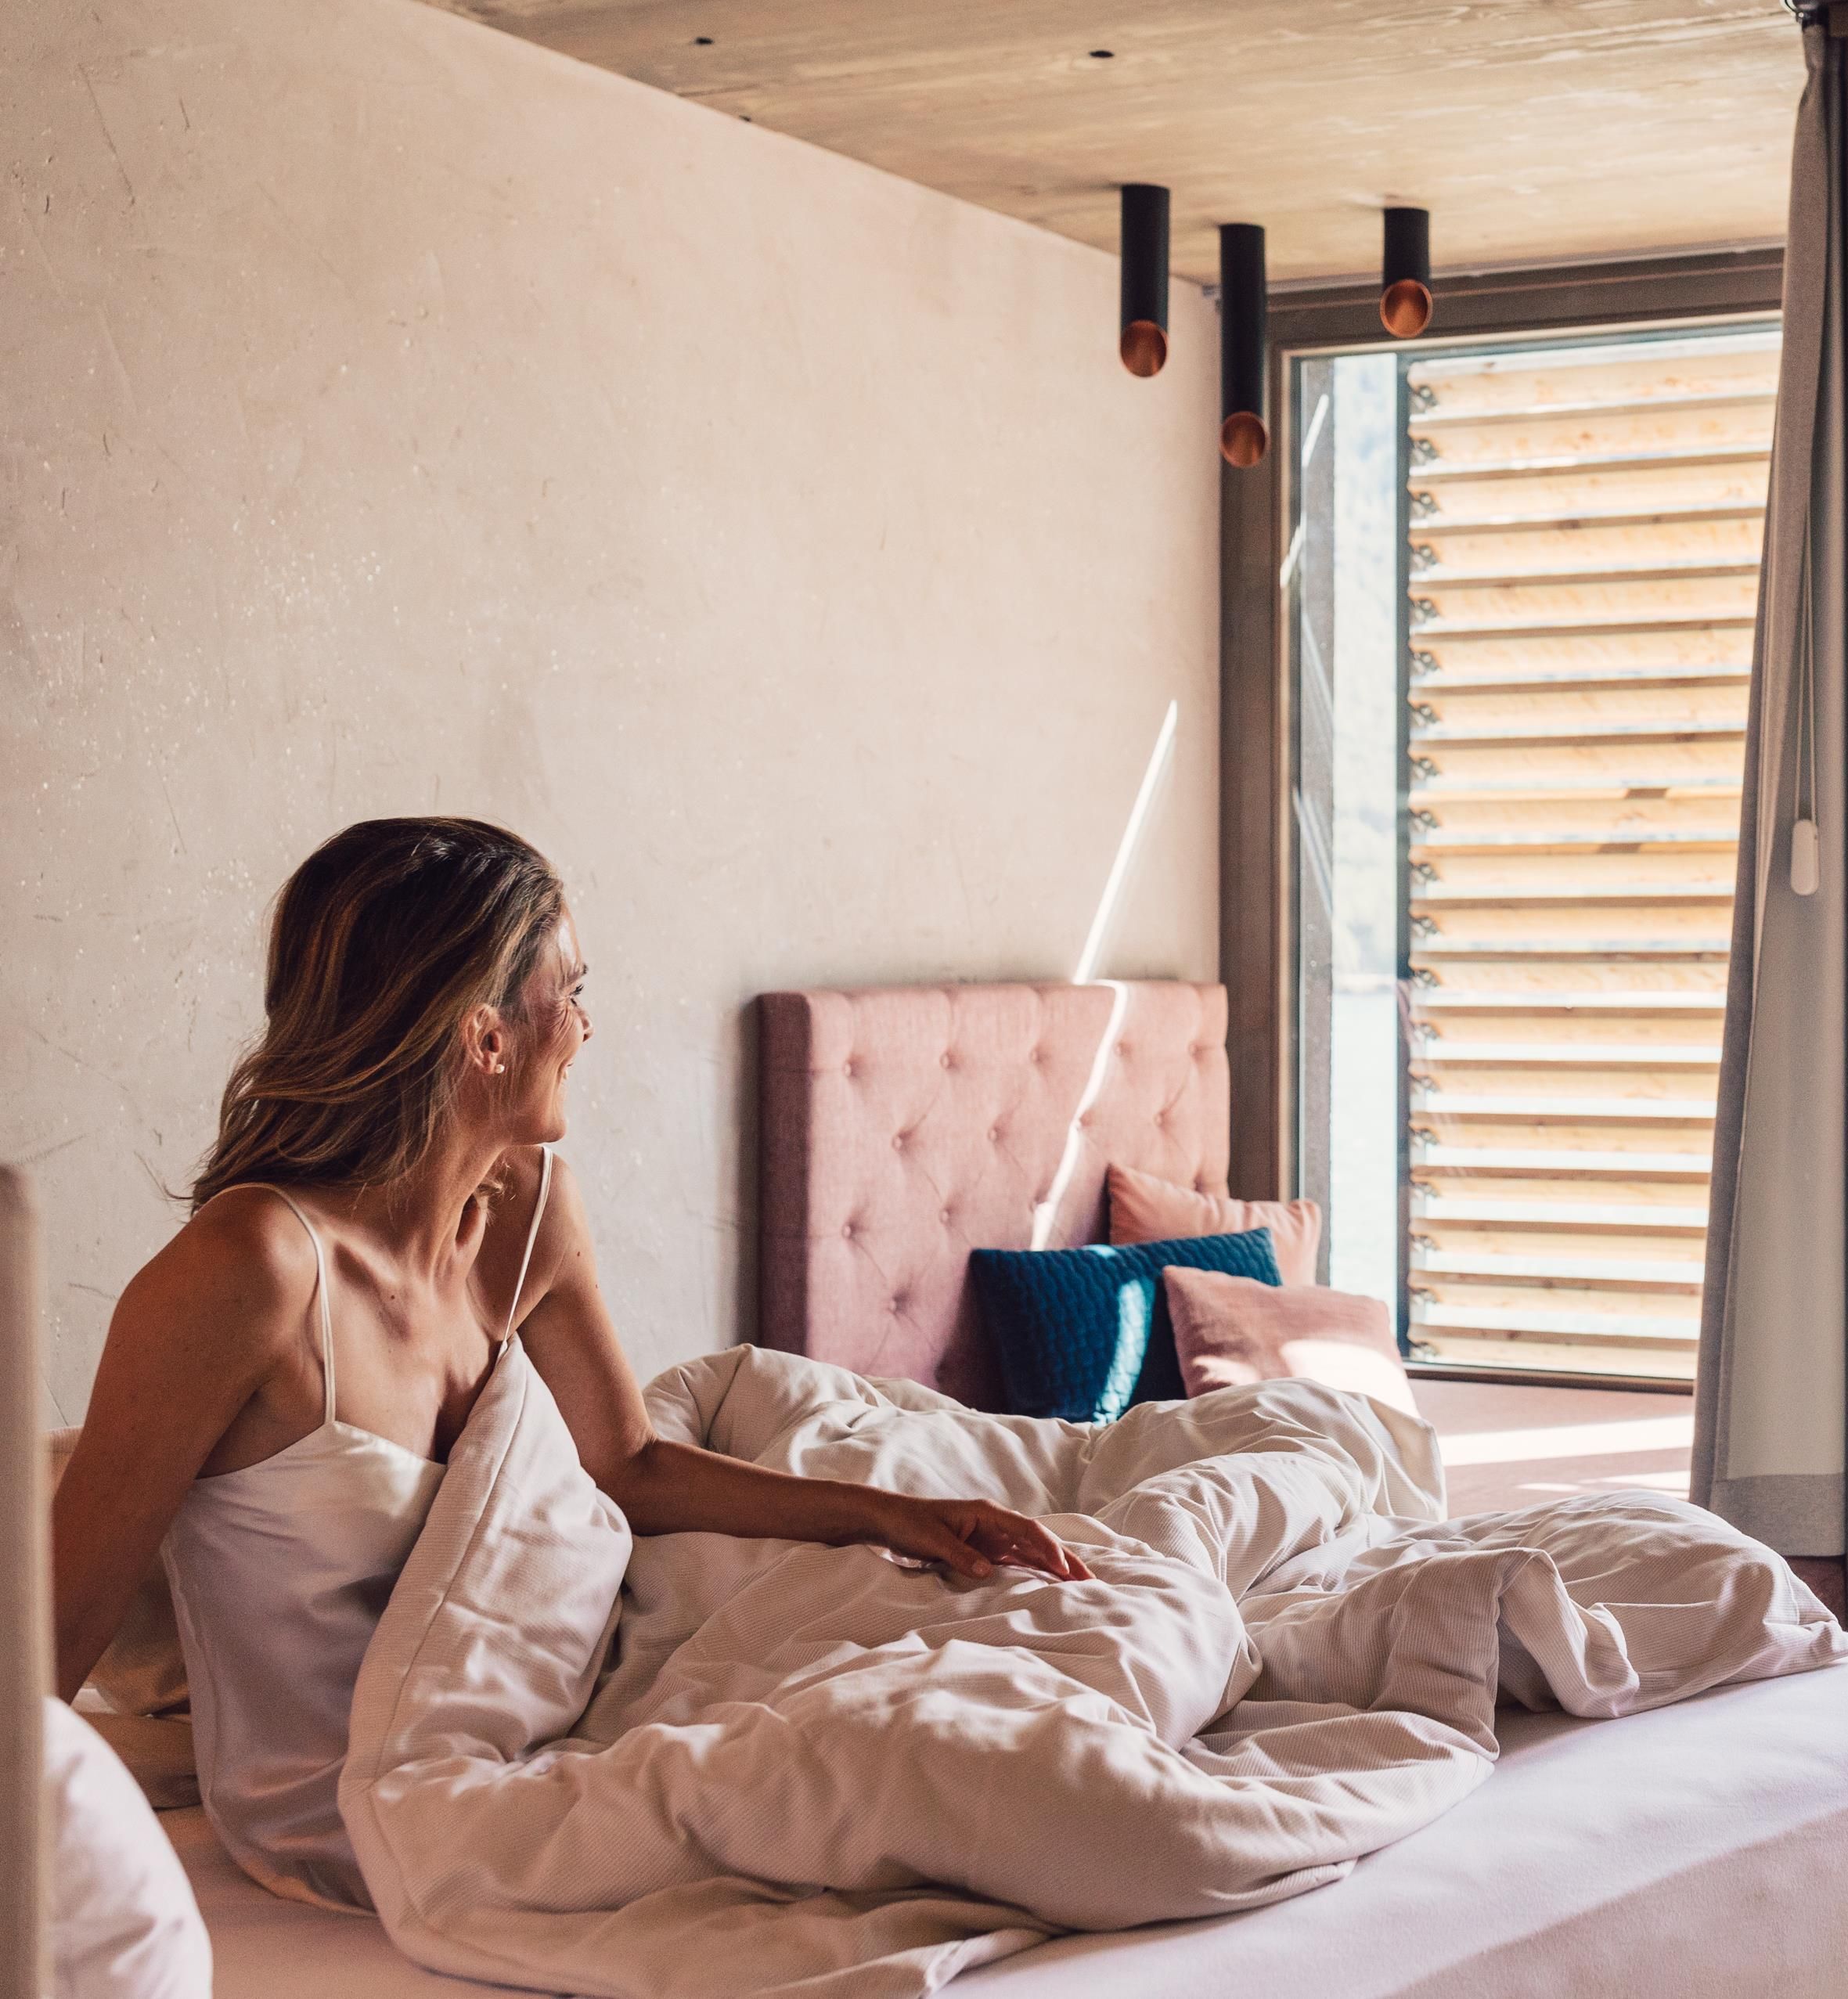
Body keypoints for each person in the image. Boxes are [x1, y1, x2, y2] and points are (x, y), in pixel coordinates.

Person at [50, 817, 1093, 1911]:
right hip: (353, 1807)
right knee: (890, 1787)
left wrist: (897, 1515)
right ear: (484, 1036)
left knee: (971, 1694)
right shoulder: (250, 1271)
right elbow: (57, 1626)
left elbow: (628, 1463)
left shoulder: (529, 1206)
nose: (587, 1028)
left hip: (558, 1701)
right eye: (571, 991)